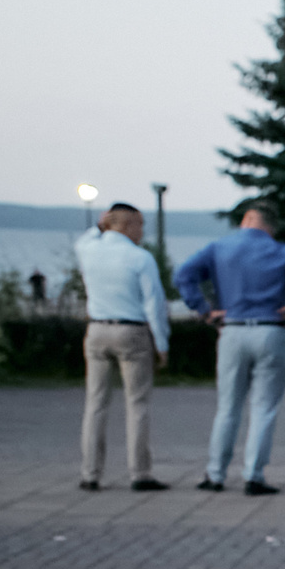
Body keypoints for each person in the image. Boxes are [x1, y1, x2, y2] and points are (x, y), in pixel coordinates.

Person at [178, 202, 285, 495]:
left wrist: (204, 309)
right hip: (272, 329)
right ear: (271, 226)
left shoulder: (219, 247)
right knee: (264, 408)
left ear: (246, 220)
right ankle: (253, 475)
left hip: (232, 330)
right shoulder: (282, 251)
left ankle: (215, 474)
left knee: (227, 407)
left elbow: (183, 275)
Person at [75, 202, 169, 492]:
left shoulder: (87, 250)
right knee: (137, 403)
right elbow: (154, 303)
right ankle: (139, 472)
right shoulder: (140, 258)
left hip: (97, 329)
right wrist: (161, 342)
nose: (142, 232)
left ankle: (90, 473)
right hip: (131, 331)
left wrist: (100, 224)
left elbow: (85, 239)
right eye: (139, 225)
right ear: (127, 225)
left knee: (95, 403)